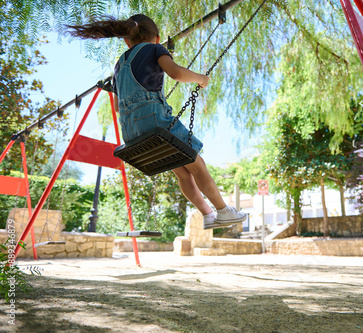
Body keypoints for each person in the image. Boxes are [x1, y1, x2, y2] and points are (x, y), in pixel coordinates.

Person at [66, 14, 246, 230]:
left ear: (126, 40)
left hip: (131, 132)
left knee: (183, 173)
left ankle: (207, 215)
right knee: (198, 166)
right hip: (154, 122)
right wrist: (201, 79)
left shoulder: (118, 65)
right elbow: (176, 73)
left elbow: (116, 106)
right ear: (157, 38)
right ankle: (223, 211)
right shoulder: (155, 49)